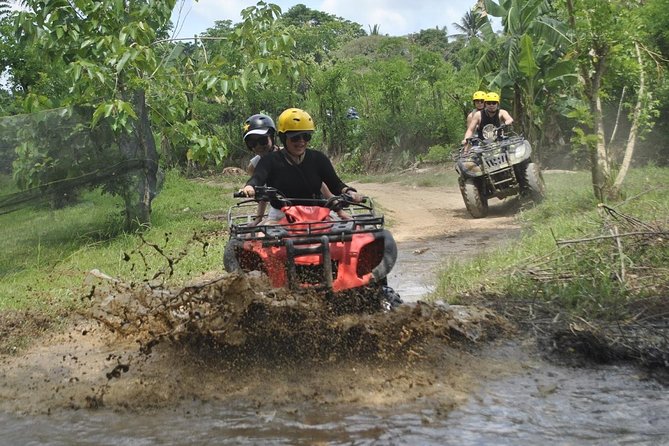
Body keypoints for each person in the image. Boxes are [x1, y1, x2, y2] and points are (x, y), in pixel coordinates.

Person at [239, 107, 362, 223]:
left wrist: (349, 192)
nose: (301, 141)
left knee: (350, 235)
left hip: (317, 214)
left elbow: (335, 184)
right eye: (295, 138)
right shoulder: (269, 161)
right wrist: (250, 187)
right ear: (283, 138)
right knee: (259, 239)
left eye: (306, 136)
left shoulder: (318, 158)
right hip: (281, 215)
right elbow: (258, 178)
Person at [242, 113, 280, 225]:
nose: (258, 146)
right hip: (278, 210)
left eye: (263, 141)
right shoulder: (254, 165)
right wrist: (258, 218)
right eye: (252, 143)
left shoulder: (286, 156)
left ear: (272, 137)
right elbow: (262, 194)